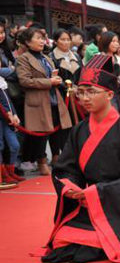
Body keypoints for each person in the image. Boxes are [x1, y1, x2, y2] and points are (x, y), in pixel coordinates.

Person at [38, 54, 120, 263]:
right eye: (81, 92)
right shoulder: (79, 131)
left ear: (110, 94)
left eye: (92, 92)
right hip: (87, 203)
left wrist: (97, 193)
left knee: (97, 245)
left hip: (119, 205)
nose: (85, 98)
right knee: (62, 241)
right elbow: (65, 168)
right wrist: (72, 189)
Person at [15, 27, 72, 175]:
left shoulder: (47, 58)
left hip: (53, 98)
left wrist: (57, 80)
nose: (42, 41)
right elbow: (25, 81)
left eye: (43, 38)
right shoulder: (23, 59)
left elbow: (51, 76)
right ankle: (41, 161)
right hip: (37, 100)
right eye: (38, 38)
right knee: (41, 134)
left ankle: (56, 157)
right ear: (28, 42)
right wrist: (49, 82)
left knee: (56, 130)